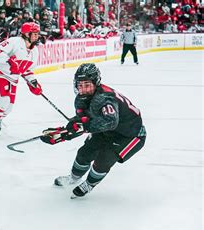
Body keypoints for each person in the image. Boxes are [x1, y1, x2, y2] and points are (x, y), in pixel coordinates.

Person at [40, 63, 146, 198]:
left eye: (87, 85)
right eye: (80, 85)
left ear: (96, 83)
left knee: (104, 159)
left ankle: (89, 184)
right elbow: (84, 120)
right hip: (107, 130)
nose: (83, 89)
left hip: (131, 135)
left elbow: (110, 121)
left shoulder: (105, 98)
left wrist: (82, 127)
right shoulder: (81, 99)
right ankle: (73, 178)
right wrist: (65, 132)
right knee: (84, 153)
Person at [0, 21, 43, 140]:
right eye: (35, 33)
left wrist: (33, 82)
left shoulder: (35, 52)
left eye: (38, 34)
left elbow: (27, 70)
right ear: (27, 34)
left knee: (9, 107)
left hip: (13, 78)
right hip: (0, 73)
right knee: (4, 100)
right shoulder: (14, 42)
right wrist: (9, 61)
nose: (37, 36)